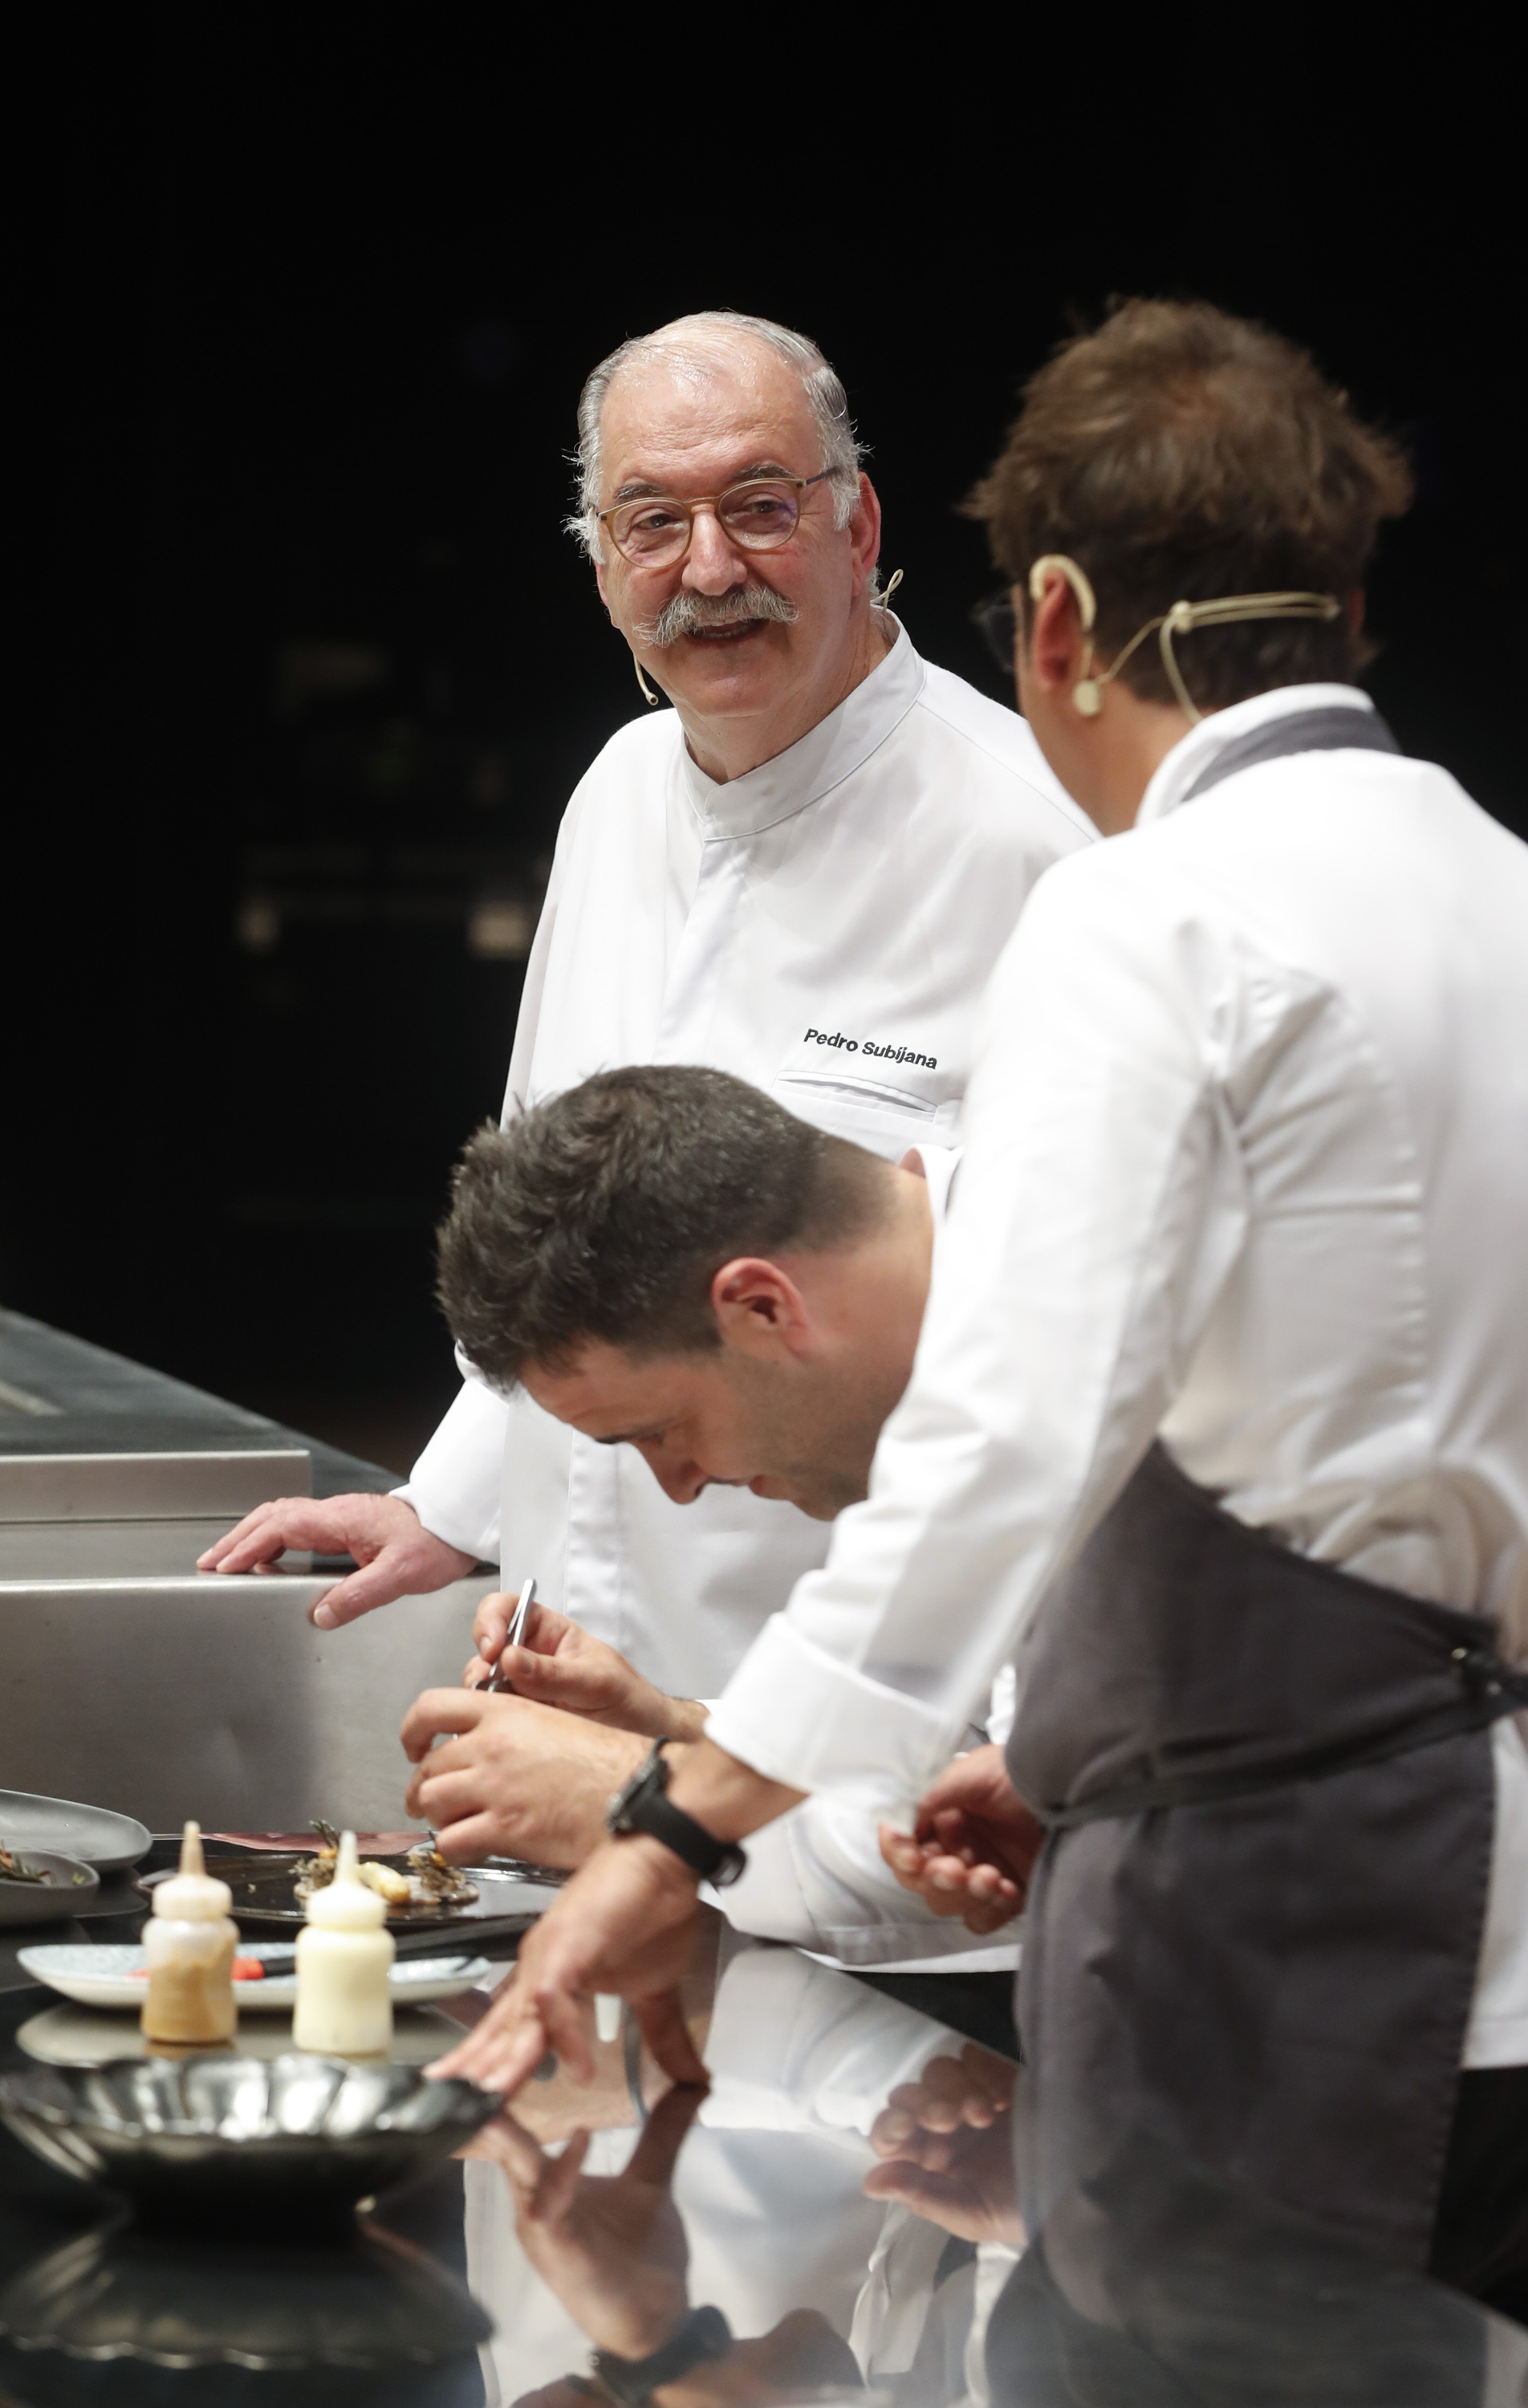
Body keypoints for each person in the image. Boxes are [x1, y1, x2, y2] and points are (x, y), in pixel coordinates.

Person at [433, 299, 1528, 2292]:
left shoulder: (1136, 908)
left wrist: (672, 1823)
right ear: (1349, 600)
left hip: (1295, 1931)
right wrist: (1038, 1750)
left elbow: (995, 1449)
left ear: (1042, 623)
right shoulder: (1495, 877)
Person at [197, 309, 1091, 1728]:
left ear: (858, 528)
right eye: (651, 522)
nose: (710, 569)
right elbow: (554, 1244)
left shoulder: (1038, 841)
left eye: (757, 506)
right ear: (601, 569)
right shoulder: (615, 795)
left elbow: (1074, 1342)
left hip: (847, 1719)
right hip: (567, 1689)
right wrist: (452, 1504)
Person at [399, 1067, 1013, 1973]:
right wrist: (676, 1727)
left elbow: (1086, 1813)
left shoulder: (1064, 1331)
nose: (681, 1487)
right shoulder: (945, 1340)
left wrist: (638, 1798)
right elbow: (970, 1750)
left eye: (661, 1432)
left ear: (761, 1307)